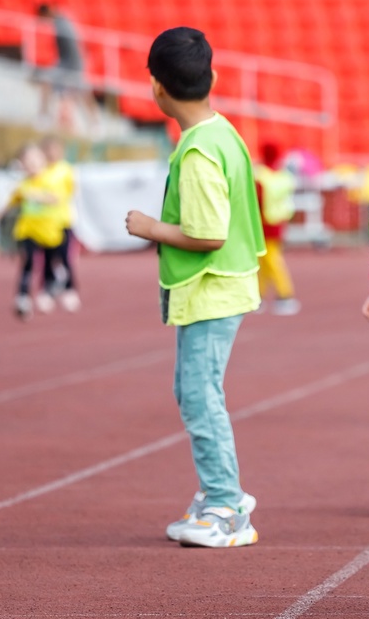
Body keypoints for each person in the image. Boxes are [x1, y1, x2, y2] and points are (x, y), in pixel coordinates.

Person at [124, 27, 265, 548]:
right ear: (213, 78)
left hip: (212, 287)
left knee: (200, 397)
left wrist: (149, 227)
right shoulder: (219, 131)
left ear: (157, 89)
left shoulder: (200, 151)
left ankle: (227, 506)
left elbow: (208, 235)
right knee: (193, 391)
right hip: (217, 286)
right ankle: (221, 494)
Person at [0, 144, 63, 320]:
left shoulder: (50, 180)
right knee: (28, 263)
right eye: (28, 162)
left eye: (35, 161)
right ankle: (23, 297)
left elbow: (56, 198)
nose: (32, 165)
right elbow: (12, 201)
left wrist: (37, 195)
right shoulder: (23, 185)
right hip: (28, 230)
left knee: (49, 263)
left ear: (43, 162)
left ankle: (49, 289)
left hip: (49, 231)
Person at [36, 3, 99, 133]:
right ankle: (94, 124)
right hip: (69, 64)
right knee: (83, 93)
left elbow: (73, 48)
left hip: (72, 65)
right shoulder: (62, 22)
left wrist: (73, 68)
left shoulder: (61, 24)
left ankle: (44, 117)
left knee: (83, 92)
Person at [254, 141, 300, 315]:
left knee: (271, 261)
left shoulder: (261, 175)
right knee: (265, 261)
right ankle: (260, 295)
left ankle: (285, 294)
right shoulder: (283, 176)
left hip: (263, 223)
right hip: (278, 221)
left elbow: (256, 201)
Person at [39, 137, 81, 312]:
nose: (52, 153)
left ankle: (70, 289)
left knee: (65, 257)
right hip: (45, 223)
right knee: (47, 258)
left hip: (62, 220)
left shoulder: (66, 170)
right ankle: (46, 289)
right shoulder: (40, 171)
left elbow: (69, 192)